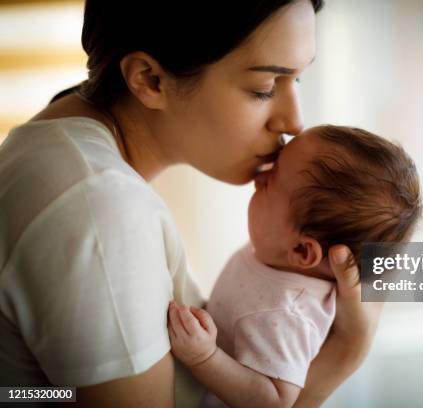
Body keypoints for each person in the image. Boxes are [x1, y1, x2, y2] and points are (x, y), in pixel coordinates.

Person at [0, 0, 383, 406]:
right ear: (150, 80)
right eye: (265, 88)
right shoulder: (99, 207)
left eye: (298, 81)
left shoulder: (55, 149)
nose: (293, 122)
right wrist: (344, 353)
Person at [167, 125, 423, 407]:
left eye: (271, 181)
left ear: (302, 250)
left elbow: (275, 401)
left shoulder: (289, 314)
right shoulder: (277, 254)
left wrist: (205, 358)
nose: (258, 177)